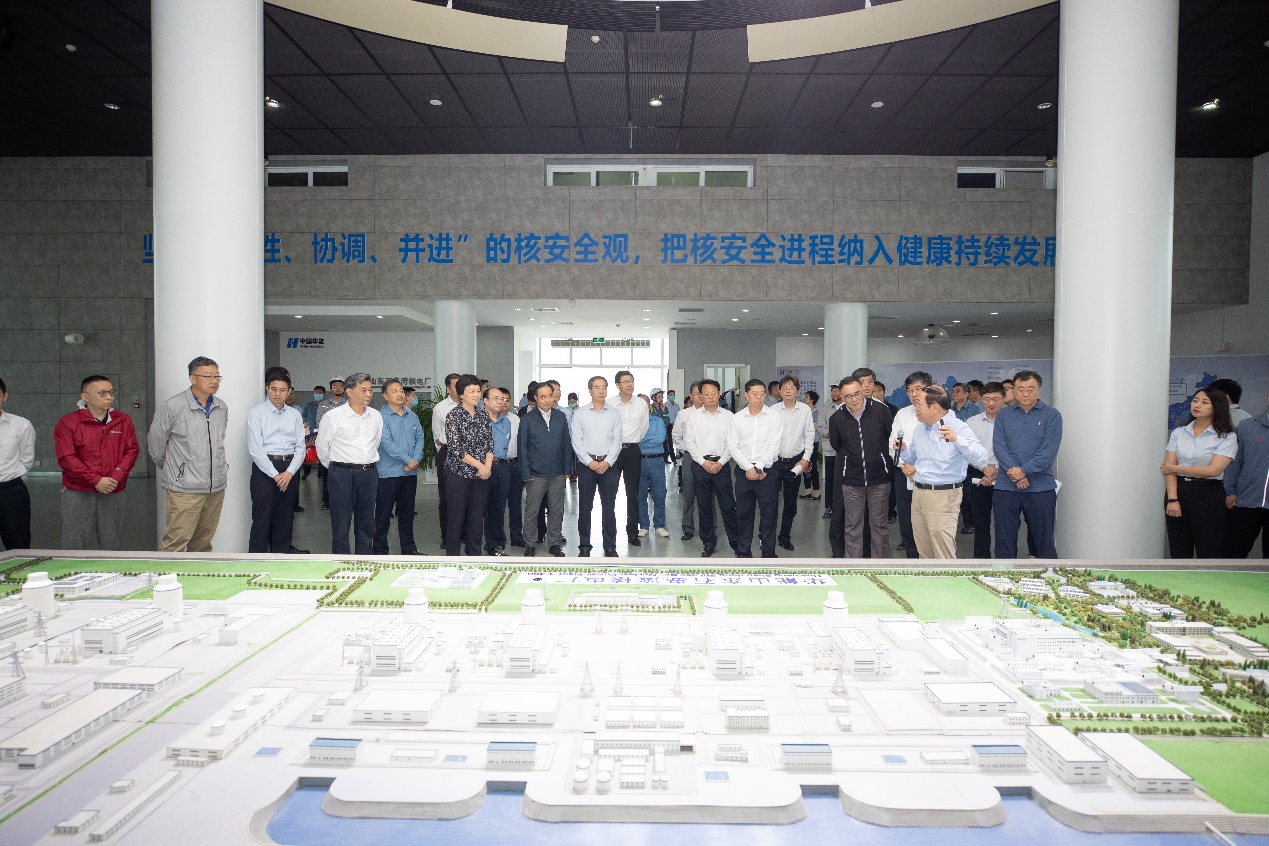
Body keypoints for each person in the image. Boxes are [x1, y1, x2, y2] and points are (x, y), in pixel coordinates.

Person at [148, 356, 229, 552]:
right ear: (193, 379)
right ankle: (167, 573)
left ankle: (199, 572)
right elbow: (156, 443)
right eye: (208, 376)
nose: (214, 381)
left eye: (217, 376)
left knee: (203, 543)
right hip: (185, 489)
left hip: (215, 488)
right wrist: (178, 470)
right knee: (175, 542)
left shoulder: (221, 407)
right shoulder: (173, 406)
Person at [899, 386, 990, 559]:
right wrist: (903, 450)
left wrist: (957, 439)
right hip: (919, 493)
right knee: (924, 551)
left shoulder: (958, 427)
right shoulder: (920, 429)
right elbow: (913, 458)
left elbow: (980, 456)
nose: (915, 408)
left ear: (934, 407)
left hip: (943, 495)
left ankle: (949, 577)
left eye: (919, 404)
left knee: (943, 553)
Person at [53, 375, 139, 551]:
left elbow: (131, 450)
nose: (109, 397)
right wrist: (96, 480)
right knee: (74, 541)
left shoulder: (123, 420)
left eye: (111, 392)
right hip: (78, 491)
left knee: (110, 541)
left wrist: (115, 477)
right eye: (102, 393)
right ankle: (72, 568)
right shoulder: (68, 422)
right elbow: (67, 458)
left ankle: (109, 569)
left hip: (113, 488)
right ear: (85, 396)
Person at [993, 370, 1062, 559]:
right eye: (1021, 389)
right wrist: (1016, 474)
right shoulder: (1003, 415)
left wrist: (1023, 471)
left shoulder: (1052, 415)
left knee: (1044, 543)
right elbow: (999, 447)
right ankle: (1004, 576)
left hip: (1040, 488)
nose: (1025, 394)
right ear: (1013, 390)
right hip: (1006, 488)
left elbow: (1048, 452)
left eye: (1030, 389)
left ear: (1039, 389)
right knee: (1004, 542)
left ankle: (1049, 576)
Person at [1162, 387, 1237, 558]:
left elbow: (1213, 470)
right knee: (1179, 548)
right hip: (1178, 490)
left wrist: (1175, 468)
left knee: (1209, 548)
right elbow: (1168, 469)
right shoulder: (1179, 432)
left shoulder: (1227, 436)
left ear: (1217, 407)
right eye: (1195, 400)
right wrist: (1172, 499)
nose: (1197, 405)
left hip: (1208, 492)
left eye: (1204, 402)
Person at [316, 373, 381, 555]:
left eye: (370, 390)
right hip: (341, 474)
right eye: (363, 390)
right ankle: (341, 561)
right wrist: (337, 468)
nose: (368, 394)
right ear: (349, 392)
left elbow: (375, 443)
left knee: (366, 523)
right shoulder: (333, 417)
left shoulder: (376, 416)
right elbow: (322, 448)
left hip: (368, 473)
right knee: (341, 524)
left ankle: (364, 560)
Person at [244, 367, 307, 554]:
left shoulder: (295, 415)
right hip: (265, 470)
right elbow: (256, 449)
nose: (278, 394)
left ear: (289, 391)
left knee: (285, 519)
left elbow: (300, 448)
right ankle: (256, 561)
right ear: (267, 389)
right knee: (262, 519)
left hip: (289, 469)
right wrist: (275, 475)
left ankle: (281, 558)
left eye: (282, 390)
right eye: (274, 389)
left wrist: (289, 473)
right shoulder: (257, 413)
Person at [831, 376, 894, 558]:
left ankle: (879, 566)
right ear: (841, 397)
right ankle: (854, 567)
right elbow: (837, 445)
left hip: (879, 479)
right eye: (848, 396)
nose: (854, 399)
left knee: (879, 526)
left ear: (863, 391)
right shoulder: (837, 418)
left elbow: (889, 439)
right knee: (852, 526)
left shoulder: (881, 411)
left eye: (857, 394)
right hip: (851, 481)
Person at [728, 379, 782, 558]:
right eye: (755, 393)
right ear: (746, 395)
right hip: (744, 472)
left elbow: (774, 446)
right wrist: (749, 468)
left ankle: (768, 554)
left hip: (768, 472)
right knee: (744, 515)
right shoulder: (737, 418)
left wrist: (758, 468)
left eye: (762, 394)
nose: (759, 397)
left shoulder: (774, 416)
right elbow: (733, 447)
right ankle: (743, 553)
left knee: (769, 515)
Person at [685, 379, 739, 558]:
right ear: (700, 396)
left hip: (722, 465)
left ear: (719, 394)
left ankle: (736, 543)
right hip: (701, 466)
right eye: (706, 394)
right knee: (704, 506)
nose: (710, 397)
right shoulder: (693, 417)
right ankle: (708, 542)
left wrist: (721, 462)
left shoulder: (729, 416)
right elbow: (690, 443)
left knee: (728, 505)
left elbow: (732, 443)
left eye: (713, 393)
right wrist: (703, 462)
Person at [442, 374, 493, 557]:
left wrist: (487, 467)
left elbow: (489, 444)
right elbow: (457, 449)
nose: (476, 395)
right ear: (461, 394)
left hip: (480, 475)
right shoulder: (453, 416)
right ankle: (452, 558)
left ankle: (474, 556)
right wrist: (481, 466)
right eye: (471, 391)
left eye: (478, 391)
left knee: (476, 518)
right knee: (456, 518)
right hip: (458, 474)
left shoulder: (483, 414)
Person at [571, 376, 622, 557]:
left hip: (609, 466)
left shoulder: (614, 413)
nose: (601, 391)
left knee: (609, 508)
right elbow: (576, 441)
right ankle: (584, 546)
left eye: (604, 387)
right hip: (587, 466)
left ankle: (610, 546)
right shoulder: (580, 414)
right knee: (585, 508)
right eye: (597, 387)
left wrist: (607, 462)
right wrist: (590, 462)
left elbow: (617, 441)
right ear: (590, 390)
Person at [374, 379, 425, 555]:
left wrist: (415, 460)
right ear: (385, 396)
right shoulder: (380, 417)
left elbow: (420, 438)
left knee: (407, 514)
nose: (400, 394)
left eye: (401, 390)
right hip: (388, 473)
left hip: (410, 474)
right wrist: (408, 460)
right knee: (383, 515)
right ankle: (380, 551)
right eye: (394, 391)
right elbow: (386, 443)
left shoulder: (412, 415)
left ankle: (409, 549)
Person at [520, 381, 570, 557]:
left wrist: (567, 469)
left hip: (557, 472)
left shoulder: (561, 417)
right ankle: (530, 543)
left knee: (557, 510)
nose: (547, 400)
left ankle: (554, 543)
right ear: (535, 398)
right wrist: (525, 472)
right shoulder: (527, 419)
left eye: (550, 395)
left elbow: (566, 443)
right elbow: (522, 447)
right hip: (535, 474)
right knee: (532, 511)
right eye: (543, 397)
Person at [888, 371, 933, 559]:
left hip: (932, 476)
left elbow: (940, 449)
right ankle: (912, 561)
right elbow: (893, 445)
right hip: (904, 474)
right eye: (910, 390)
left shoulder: (940, 413)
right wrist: (905, 466)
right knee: (906, 520)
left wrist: (918, 468)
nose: (914, 394)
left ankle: (931, 565)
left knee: (930, 522)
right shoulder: (902, 414)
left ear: (929, 389)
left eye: (918, 389)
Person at [772, 374, 815, 552]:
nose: (788, 391)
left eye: (792, 388)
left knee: (790, 503)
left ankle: (784, 536)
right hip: (774, 462)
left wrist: (806, 459)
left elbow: (809, 436)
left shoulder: (805, 410)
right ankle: (766, 536)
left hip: (795, 463)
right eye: (785, 388)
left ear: (798, 391)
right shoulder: (773, 410)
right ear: (780, 391)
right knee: (770, 502)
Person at [1224, 390, 1269, 557]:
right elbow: (1235, 462)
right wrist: (1230, 491)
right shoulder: (1247, 426)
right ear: (1268, 396)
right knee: (1233, 553)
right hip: (1245, 501)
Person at [965, 382, 1005, 559]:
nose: (991, 403)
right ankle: (981, 560)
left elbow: (1015, 450)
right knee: (980, 522)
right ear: (981, 400)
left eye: (996, 399)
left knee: (1004, 522)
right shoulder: (971, 422)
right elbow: (967, 451)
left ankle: (1004, 560)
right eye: (987, 399)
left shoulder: (1010, 421)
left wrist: (996, 471)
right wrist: (984, 468)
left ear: (1003, 399)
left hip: (1005, 474)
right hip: (977, 474)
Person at [612, 370, 649, 547]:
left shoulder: (641, 404)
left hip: (633, 451)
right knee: (610, 493)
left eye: (631, 381)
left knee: (633, 493)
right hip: (613, 451)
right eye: (625, 381)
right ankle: (610, 533)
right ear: (617, 385)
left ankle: (632, 532)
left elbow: (643, 429)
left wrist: (631, 441)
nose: (629, 384)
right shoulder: (610, 403)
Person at [483, 386, 521, 556]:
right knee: (481, 507)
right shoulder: (478, 420)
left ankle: (497, 545)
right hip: (483, 467)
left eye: (503, 399)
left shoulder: (506, 422)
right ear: (485, 401)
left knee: (498, 508)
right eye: (496, 398)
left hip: (503, 466)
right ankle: (479, 543)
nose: (501, 402)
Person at [0, 377, 34, 551]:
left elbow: (27, 459)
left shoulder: (21, 425)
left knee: (18, 545)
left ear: (4, 396)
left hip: (11, 493)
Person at [432, 373, 460, 548]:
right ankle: (447, 536)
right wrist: (445, 452)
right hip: (447, 454)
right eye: (456, 385)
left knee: (467, 497)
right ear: (448, 389)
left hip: (468, 457)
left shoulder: (472, 406)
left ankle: (464, 534)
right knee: (446, 498)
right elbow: (437, 437)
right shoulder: (440, 408)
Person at [638, 397, 670, 540]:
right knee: (640, 495)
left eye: (645, 402)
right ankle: (643, 526)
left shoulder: (658, 421)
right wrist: (649, 438)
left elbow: (660, 438)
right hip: (639, 461)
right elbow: (633, 440)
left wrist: (643, 441)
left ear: (649, 405)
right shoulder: (633, 424)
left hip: (657, 460)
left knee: (659, 494)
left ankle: (659, 525)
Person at [673, 383, 702, 541]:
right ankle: (687, 528)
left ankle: (709, 527)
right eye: (696, 393)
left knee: (708, 495)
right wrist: (685, 449)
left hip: (707, 457)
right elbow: (676, 435)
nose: (700, 396)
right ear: (691, 396)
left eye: (702, 393)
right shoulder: (683, 414)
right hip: (690, 457)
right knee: (689, 493)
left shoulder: (711, 413)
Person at [314, 378, 346, 509]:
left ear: (344, 388)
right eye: (335, 386)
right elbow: (319, 423)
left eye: (340, 385)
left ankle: (343, 501)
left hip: (344, 446)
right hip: (328, 445)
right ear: (331, 388)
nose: (337, 388)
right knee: (327, 474)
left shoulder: (349, 404)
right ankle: (326, 501)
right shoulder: (323, 404)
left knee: (344, 476)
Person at [817, 384, 841, 521]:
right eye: (832, 392)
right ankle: (829, 506)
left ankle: (843, 507)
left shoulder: (847, 408)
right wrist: (830, 434)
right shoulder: (826, 409)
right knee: (830, 479)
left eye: (836, 391)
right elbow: (820, 426)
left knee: (844, 479)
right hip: (830, 450)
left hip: (845, 451)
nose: (833, 394)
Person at [800, 390, 821, 500]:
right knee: (804, 466)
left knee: (813, 466)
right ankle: (807, 489)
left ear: (812, 400)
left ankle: (817, 490)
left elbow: (814, 427)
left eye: (807, 396)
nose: (804, 398)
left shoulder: (817, 413)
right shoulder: (803, 412)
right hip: (802, 442)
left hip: (813, 442)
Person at [300, 384, 322, 480]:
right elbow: (303, 418)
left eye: (320, 393)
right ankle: (306, 472)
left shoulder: (325, 405)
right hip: (310, 432)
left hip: (322, 433)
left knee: (321, 454)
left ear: (323, 394)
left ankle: (320, 474)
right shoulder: (308, 405)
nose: (318, 395)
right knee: (308, 452)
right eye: (316, 393)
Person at [665, 389, 680, 465]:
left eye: (673, 395)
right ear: (668, 396)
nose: (672, 396)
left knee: (674, 442)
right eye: (671, 395)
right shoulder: (665, 405)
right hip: (667, 426)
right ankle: (671, 459)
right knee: (667, 442)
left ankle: (673, 458)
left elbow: (678, 417)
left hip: (674, 426)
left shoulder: (677, 406)